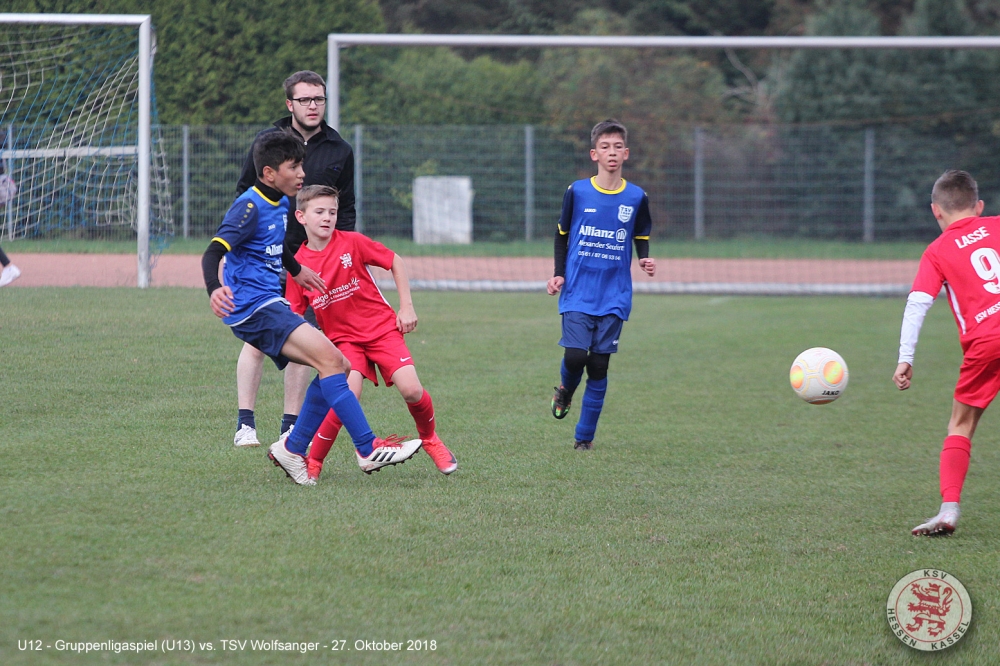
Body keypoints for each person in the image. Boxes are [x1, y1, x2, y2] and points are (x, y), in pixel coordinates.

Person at [201, 131, 421, 485]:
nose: (302, 173)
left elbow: (276, 246)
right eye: (294, 166)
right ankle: (367, 447)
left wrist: (296, 270)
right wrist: (214, 289)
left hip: (268, 303)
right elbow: (214, 250)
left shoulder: (280, 203)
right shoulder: (249, 206)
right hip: (254, 307)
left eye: (301, 164)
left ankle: (292, 448)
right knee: (333, 362)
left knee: (338, 365)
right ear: (270, 173)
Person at [284, 185, 457, 481]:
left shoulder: (352, 242)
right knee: (346, 397)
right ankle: (313, 462)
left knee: (412, 389)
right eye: (319, 212)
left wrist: (407, 307)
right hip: (343, 342)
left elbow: (394, 261)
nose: (327, 218)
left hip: (381, 330)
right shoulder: (298, 268)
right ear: (301, 217)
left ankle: (430, 439)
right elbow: (294, 316)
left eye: (332, 212)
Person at [231, 70, 358, 449]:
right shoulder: (268, 142)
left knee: (308, 340)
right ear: (290, 104)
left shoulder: (340, 150)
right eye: (304, 99)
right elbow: (244, 192)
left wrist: (339, 254)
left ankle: (289, 425)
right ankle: (245, 424)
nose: (313, 106)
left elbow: (345, 210)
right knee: (258, 339)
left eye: (319, 99)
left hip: (312, 264)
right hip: (268, 258)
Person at [894, 169, 1000, 536]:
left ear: (935, 211)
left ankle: (949, 510)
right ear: (979, 206)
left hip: (986, 342)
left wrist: (905, 358)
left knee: (961, 424)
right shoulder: (997, 226)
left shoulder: (937, 250)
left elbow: (917, 304)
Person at [547, 119, 656, 450]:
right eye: (605, 147)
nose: (612, 152)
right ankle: (566, 390)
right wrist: (559, 273)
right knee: (576, 356)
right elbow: (562, 235)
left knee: (598, 365)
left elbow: (641, 234)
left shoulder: (636, 196)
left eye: (617, 147)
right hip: (578, 290)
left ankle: (584, 438)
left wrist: (644, 258)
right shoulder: (577, 191)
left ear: (626, 153)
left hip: (614, 293)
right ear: (594, 154)